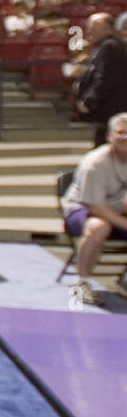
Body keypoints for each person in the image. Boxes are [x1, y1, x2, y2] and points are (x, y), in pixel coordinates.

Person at [60, 113, 127, 306]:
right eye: (120, 132)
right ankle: (81, 285)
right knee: (99, 227)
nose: (125, 137)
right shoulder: (95, 164)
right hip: (82, 209)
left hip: (116, 208)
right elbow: (95, 207)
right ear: (109, 136)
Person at [74, 13, 127, 147]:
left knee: (105, 146)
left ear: (107, 28)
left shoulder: (110, 47)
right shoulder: (103, 47)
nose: (89, 30)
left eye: (93, 27)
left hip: (110, 109)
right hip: (107, 109)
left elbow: (106, 77)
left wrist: (89, 99)